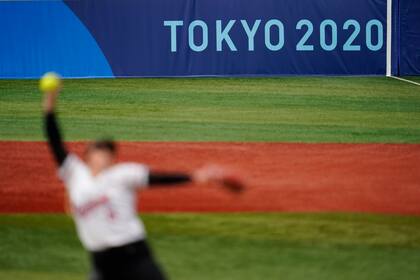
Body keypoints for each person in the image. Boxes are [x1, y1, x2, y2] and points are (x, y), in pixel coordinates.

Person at [42, 88, 243, 280]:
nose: (103, 155)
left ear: (113, 159)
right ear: (87, 156)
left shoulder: (123, 174)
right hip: (101, 262)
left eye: (108, 152)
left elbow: (158, 179)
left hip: (133, 255)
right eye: (99, 150)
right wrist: (50, 103)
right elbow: (55, 141)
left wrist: (195, 177)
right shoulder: (75, 173)